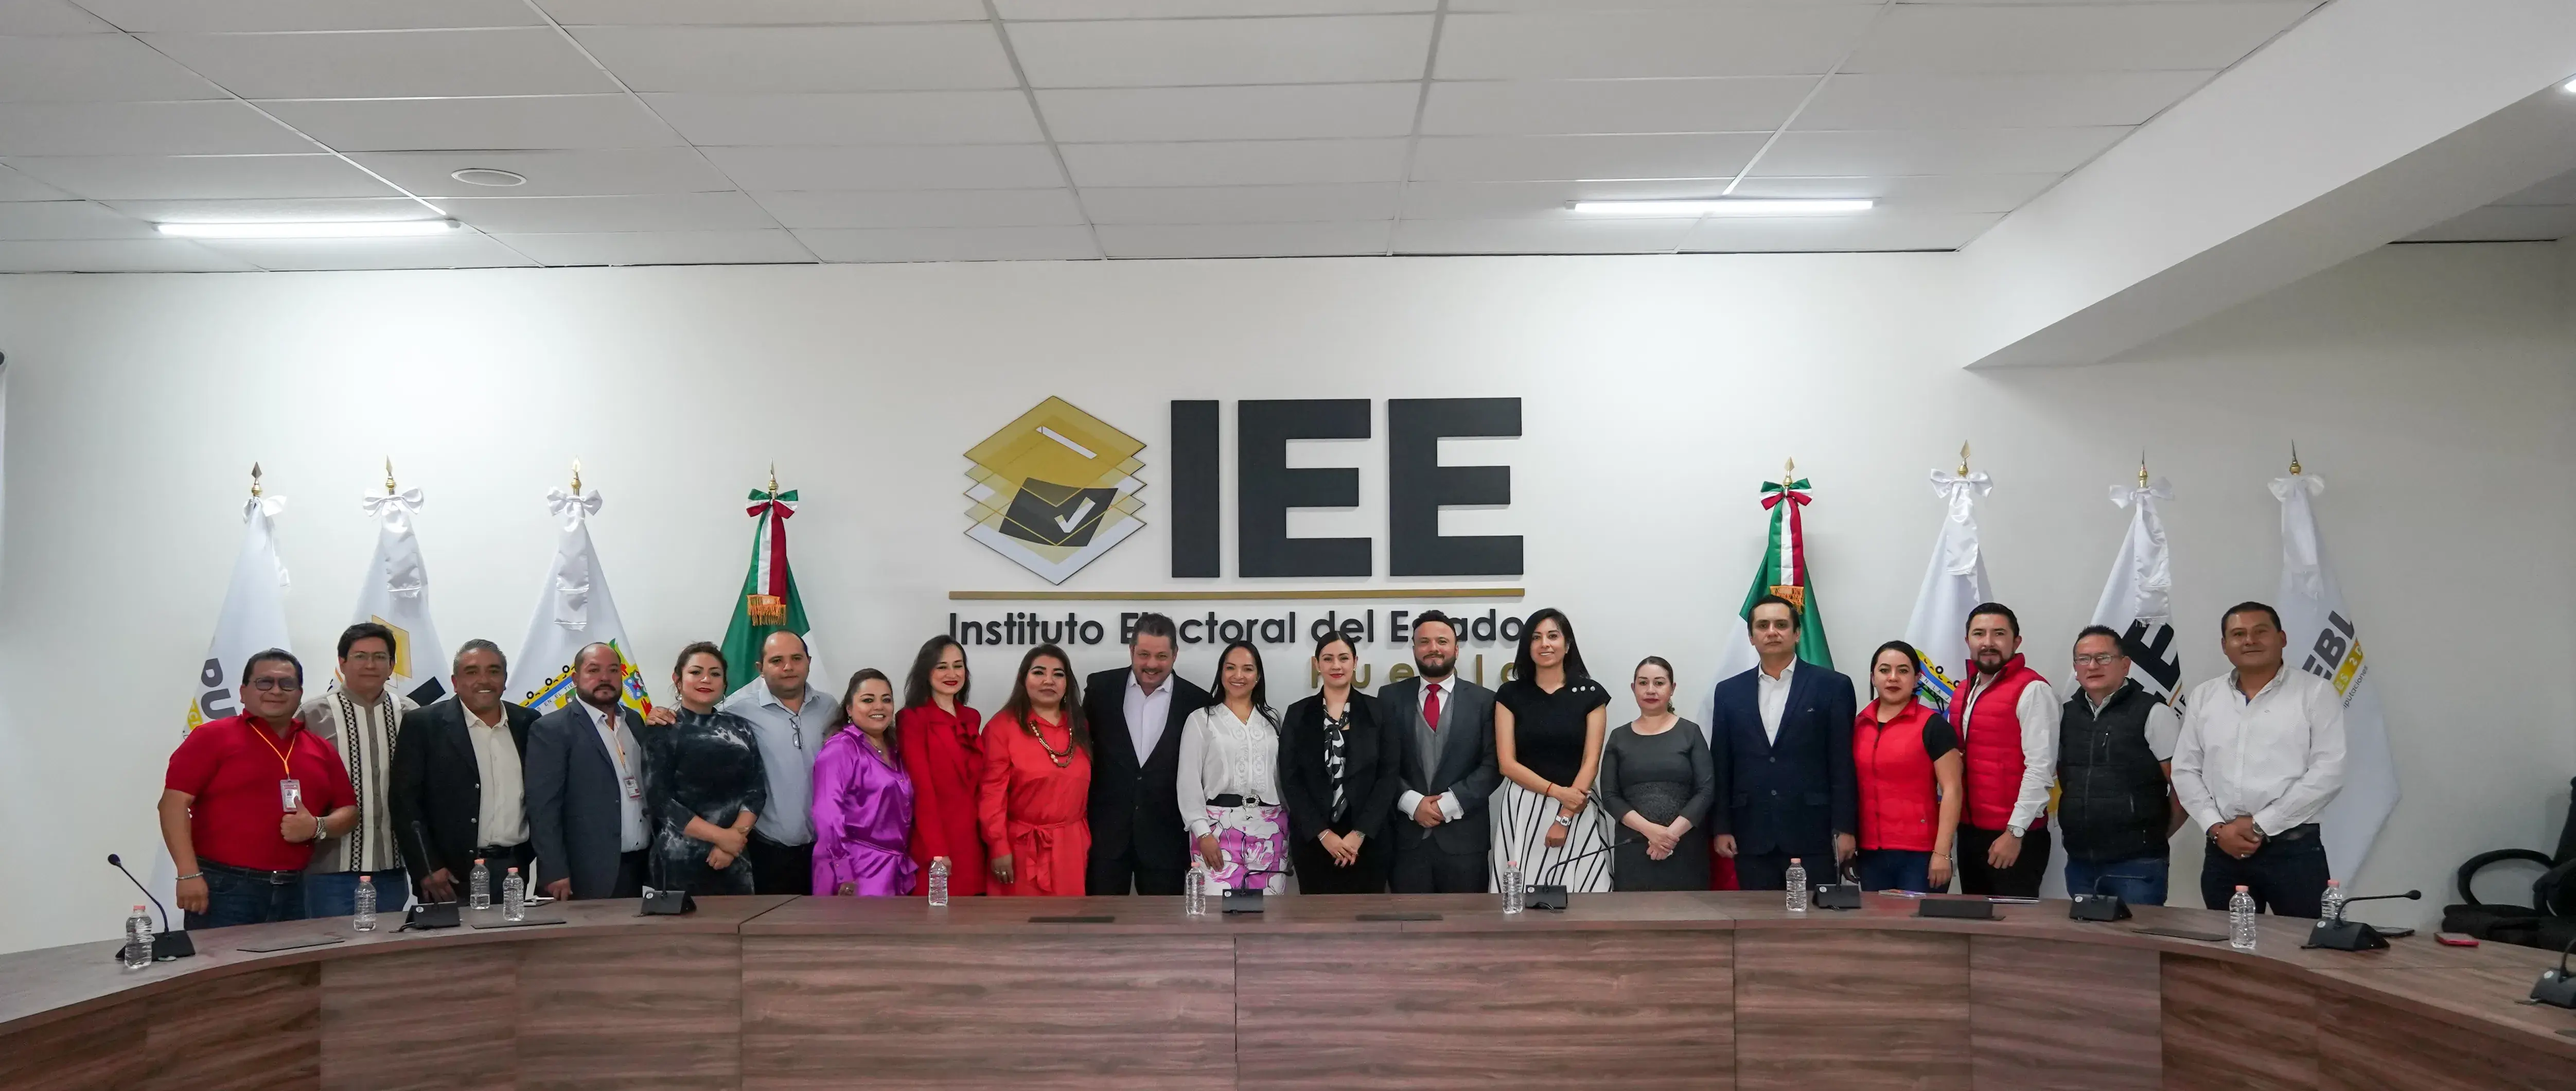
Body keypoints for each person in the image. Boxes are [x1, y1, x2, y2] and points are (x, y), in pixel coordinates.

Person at [2172, 602, 2347, 918]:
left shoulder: (2315, 693)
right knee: (2228, 942)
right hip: (2223, 849)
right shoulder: (2205, 696)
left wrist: (2260, 825)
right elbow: (2185, 770)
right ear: (2225, 645)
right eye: (2238, 634)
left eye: (2260, 632)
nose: (2249, 640)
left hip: (2293, 850)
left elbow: (2329, 772)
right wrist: (2216, 828)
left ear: (2282, 638)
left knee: (2302, 942)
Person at [160, 649, 358, 928]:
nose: (276, 691)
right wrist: (188, 874)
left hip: (298, 889)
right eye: (264, 682)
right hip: (224, 888)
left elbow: (349, 811)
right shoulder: (211, 737)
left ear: (300, 693)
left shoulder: (320, 748)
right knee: (222, 959)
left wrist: (317, 826)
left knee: (293, 960)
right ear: (243, 692)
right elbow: (172, 805)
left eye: (287, 684)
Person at [1709, 594, 1858, 890]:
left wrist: (1845, 828)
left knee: (1812, 918)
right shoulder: (1728, 692)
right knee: (1756, 917)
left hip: (1813, 833)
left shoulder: (1833, 686)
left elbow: (1842, 763)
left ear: (1797, 633)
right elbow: (1722, 764)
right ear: (1751, 637)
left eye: (1781, 625)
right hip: (1751, 834)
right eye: (1763, 625)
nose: (1772, 632)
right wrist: (1721, 827)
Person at [389, 640, 540, 904]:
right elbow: (405, 803)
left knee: (512, 932)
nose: (484, 680)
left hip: (514, 869)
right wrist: (426, 867)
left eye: (494, 671)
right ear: (455, 682)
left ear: (505, 680)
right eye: (472, 672)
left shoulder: (528, 722)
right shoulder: (424, 724)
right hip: (448, 876)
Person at [2058, 626, 2186, 906]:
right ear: (2076, 668)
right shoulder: (2065, 715)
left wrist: (2155, 836)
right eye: (2084, 659)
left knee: (2139, 936)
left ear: (2125, 665)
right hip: (2080, 865)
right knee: (2087, 935)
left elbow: (2184, 789)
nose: (2093, 666)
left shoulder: (2153, 712)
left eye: (2103, 658)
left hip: (2137, 866)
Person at [1083, 613, 1211, 895]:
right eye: (1144, 654)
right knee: (1100, 919)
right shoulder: (1100, 689)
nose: (1152, 664)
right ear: (1131, 651)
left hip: (1166, 841)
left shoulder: (1197, 702)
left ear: (1175, 655)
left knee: (1163, 922)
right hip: (1106, 837)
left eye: (1161, 656)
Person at [299, 623, 418, 918]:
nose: (370, 665)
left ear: (392, 665)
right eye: (360, 656)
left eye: (380, 657)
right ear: (342, 662)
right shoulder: (312, 715)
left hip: (393, 868)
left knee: (388, 945)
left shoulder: (412, 714)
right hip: (329, 871)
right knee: (332, 946)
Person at [1491, 608, 1614, 892]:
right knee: (1520, 897)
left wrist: (1564, 816)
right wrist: (1558, 793)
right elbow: (1507, 764)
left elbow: (1591, 762)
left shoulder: (1591, 694)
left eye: (1553, 636)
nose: (1544, 644)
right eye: (1536, 637)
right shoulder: (1510, 695)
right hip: (1523, 806)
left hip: (1577, 804)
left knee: (1586, 896)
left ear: (1567, 644)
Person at [1381, 610, 1501, 893]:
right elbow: (1381, 762)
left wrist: (1449, 804)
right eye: (1424, 642)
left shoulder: (1485, 701)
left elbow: (1493, 764)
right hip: (1406, 842)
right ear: (1414, 649)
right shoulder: (1389, 697)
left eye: (1442, 641)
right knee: (1409, 920)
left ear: (1456, 650)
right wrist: (1411, 802)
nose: (1433, 648)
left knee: (1467, 920)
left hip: (1465, 843)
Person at [526, 643, 655, 901]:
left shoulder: (634, 721)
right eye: (594, 670)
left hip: (639, 865)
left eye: (613, 670)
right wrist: (554, 870)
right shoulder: (552, 729)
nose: (605, 678)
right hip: (585, 872)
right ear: (575, 679)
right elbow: (543, 809)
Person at [1951, 603, 2059, 897]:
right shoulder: (1963, 691)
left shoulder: (2033, 690)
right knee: (1974, 921)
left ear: (2016, 642)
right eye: (1979, 634)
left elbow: (2041, 768)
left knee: (2013, 924)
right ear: (1968, 641)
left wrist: (2015, 832)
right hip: (1970, 833)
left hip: (2014, 837)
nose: (1988, 642)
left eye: (1999, 634)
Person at [1281, 633, 1403, 894]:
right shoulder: (1298, 713)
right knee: (1318, 917)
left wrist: (1359, 834)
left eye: (1344, 658)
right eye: (1328, 659)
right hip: (1315, 842)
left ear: (1355, 662)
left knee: (1366, 916)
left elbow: (1388, 776)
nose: (1336, 666)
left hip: (1368, 842)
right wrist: (1323, 834)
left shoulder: (1379, 711)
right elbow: (1291, 780)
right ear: (1317, 664)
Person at [714, 631, 832, 896]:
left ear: (809, 662)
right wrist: (664, 715)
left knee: (827, 921)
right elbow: (695, 724)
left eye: (797, 658)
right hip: (767, 851)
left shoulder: (830, 706)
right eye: (777, 660)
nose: (788, 667)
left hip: (825, 850)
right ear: (761, 668)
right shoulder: (737, 710)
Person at [646, 643, 767, 895]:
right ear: (678, 680)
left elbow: (756, 791)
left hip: (735, 856)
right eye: (696, 672)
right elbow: (661, 801)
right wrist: (721, 838)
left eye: (715, 674)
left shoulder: (741, 728)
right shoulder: (662, 729)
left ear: (724, 683)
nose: (706, 679)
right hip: (679, 861)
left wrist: (733, 839)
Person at [979, 645, 1092, 897]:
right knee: (1020, 919)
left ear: (1067, 683)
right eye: (1039, 672)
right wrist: (998, 847)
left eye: (1058, 674)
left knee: (1069, 918)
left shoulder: (1079, 725)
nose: (1048, 681)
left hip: (1071, 847)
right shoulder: (1002, 727)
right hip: (1020, 848)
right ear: (1024, 679)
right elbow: (991, 795)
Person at [1176, 641, 1288, 893]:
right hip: (1216, 832)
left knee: (1268, 911)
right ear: (1221, 673)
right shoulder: (1201, 720)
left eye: (1248, 669)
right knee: (1217, 911)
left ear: (1258, 676)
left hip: (1270, 830)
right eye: (1231, 668)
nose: (1239, 676)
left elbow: (1283, 780)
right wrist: (1202, 833)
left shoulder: (1273, 720)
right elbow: (1188, 782)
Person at [1851, 642, 1962, 893]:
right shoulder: (1858, 725)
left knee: (1918, 921)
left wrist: (1942, 852)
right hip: (1870, 854)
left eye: (1903, 671)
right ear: (1873, 678)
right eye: (1884, 670)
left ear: (1917, 679)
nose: (1893, 678)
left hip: (1921, 856)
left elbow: (1952, 790)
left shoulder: (1933, 726)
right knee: (1875, 920)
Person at [1599, 657, 1714, 891]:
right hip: (1634, 846)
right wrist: (1651, 831)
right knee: (1636, 911)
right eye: (1643, 683)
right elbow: (1610, 796)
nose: (1651, 690)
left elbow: (1706, 790)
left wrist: (1670, 836)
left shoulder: (1690, 732)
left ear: (1673, 688)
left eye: (1659, 683)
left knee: (1690, 912)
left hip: (1685, 845)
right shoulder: (1619, 737)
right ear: (1633, 688)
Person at [811, 668, 916, 896]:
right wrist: (842, 872)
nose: (879, 707)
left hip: (893, 869)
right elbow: (827, 816)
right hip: (855, 869)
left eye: (886, 700)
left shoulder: (896, 749)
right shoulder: (840, 750)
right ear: (849, 709)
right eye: (868, 700)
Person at [897, 636, 985, 896]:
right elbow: (921, 788)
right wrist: (937, 849)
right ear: (927, 672)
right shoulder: (912, 719)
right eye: (942, 667)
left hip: (974, 839)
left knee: (975, 914)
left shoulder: (972, 717)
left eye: (958, 666)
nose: (952, 674)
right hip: (935, 839)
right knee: (937, 912)